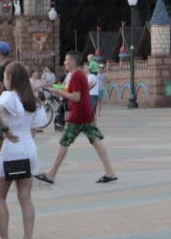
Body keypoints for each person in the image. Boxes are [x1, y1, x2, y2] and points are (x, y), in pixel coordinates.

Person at [0, 62, 47, 239]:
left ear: (10, 77)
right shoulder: (33, 100)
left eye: (5, 77)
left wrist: (6, 132)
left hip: (12, 149)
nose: (3, 80)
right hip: (29, 148)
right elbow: (35, 128)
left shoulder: (9, 96)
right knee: (25, 198)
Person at [34, 51, 117, 185]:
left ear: (73, 61)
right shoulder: (78, 75)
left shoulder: (76, 75)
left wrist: (59, 92)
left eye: (67, 60)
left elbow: (76, 97)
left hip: (78, 114)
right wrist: (58, 88)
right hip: (86, 113)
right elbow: (73, 90)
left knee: (64, 142)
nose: (65, 62)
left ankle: (51, 174)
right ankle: (109, 172)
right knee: (95, 140)